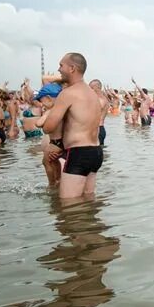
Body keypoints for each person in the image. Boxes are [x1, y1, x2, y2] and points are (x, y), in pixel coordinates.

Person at [37, 53, 104, 200]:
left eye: (61, 65)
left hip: (79, 153)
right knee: (88, 201)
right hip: (96, 152)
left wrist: (50, 112)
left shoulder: (68, 94)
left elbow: (48, 128)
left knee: (68, 207)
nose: (58, 69)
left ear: (72, 68)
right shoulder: (92, 95)